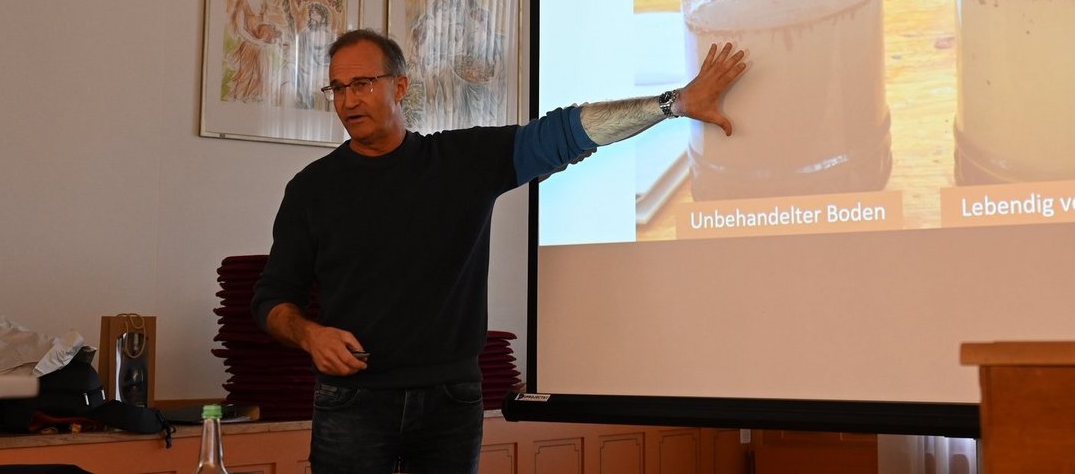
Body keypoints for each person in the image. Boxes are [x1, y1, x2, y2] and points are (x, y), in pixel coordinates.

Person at [251, 29, 747, 474]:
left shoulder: (459, 163)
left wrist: (673, 103)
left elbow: (565, 132)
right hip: (351, 401)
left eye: (362, 84)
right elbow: (271, 300)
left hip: (451, 400)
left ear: (400, 87)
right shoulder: (312, 189)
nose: (348, 100)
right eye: (337, 88)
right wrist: (310, 334)